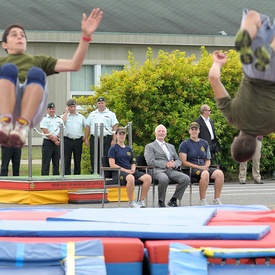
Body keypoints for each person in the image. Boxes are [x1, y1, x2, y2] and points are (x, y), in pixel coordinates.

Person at [0, 8, 103, 148]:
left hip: (32, 106)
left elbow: (74, 65)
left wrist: (85, 37)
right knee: (8, 69)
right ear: (4, 44)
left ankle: (21, 126)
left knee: (37, 73)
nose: (19, 37)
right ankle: (5, 123)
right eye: (14, 35)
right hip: (6, 103)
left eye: (22, 35)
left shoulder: (39, 60)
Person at [208, 9, 275, 163]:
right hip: (253, 70)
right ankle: (261, 47)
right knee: (253, 17)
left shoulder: (271, 127)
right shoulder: (233, 117)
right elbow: (213, 77)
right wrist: (217, 63)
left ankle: (271, 50)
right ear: (235, 140)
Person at [178, 122, 224, 206]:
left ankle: (216, 199)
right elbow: (183, 162)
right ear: (189, 131)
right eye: (192, 129)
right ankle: (202, 200)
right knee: (205, 173)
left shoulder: (204, 143)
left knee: (219, 173)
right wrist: (200, 167)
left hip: (203, 167)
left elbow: (208, 159)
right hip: (191, 168)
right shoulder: (184, 144)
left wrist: (206, 166)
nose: (194, 131)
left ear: (199, 131)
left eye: (196, 129)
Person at [144, 124, 190, 208]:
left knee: (186, 178)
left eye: (163, 131)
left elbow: (178, 159)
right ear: (155, 133)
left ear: (166, 134)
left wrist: (174, 164)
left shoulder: (171, 146)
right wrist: (165, 164)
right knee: (164, 178)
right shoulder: (149, 146)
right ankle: (161, 201)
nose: (161, 133)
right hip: (157, 170)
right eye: (159, 131)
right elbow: (150, 161)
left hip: (171, 170)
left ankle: (174, 199)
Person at [108, 126, 151, 208]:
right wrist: (126, 171)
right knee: (130, 178)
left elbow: (133, 161)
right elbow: (112, 165)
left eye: (123, 134)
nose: (121, 136)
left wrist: (133, 169)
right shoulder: (113, 149)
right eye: (120, 134)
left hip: (130, 171)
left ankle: (141, 201)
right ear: (116, 135)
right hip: (118, 172)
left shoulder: (129, 149)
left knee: (148, 177)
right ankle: (131, 202)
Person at [84, 97, 118, 174]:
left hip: (107, 138)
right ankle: (95, 173)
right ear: (97, 104)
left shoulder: (111, 114)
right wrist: (86, 138)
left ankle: (106, 174)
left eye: (102, 103)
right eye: (99, 103)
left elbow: (115, 126)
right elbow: (88, 126)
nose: (100, 104)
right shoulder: (92, 114)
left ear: (105, 103)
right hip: (94, 138)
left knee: (106, 156)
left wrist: (114, 139)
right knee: (94, 156)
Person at [61, 99, 86, 175]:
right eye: (71, 106)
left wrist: (85, 136)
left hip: (78, 140)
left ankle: (77, 176)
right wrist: (66, 112)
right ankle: (66, 176)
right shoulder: (64, 116)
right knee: (66, 160)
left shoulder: (81, 117)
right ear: (68, 107)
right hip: (67, 140)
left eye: (74, 106)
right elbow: (61, 123)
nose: (72, 108)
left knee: (77, 160)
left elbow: (87, 126)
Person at [40, 102, 63, 175]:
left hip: (57, 142)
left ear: (55, 109)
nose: (51, 110)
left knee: (56, 162)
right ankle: (44, 179)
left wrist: (57, 137)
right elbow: (45, 130)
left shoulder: (59, 119)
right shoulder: (44, 119)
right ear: (47, 110)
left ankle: (55, 180)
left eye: (53, 109)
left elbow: (62, 130)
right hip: (48, 142)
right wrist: (54, 139)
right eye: (50, 109)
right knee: (46, 162)